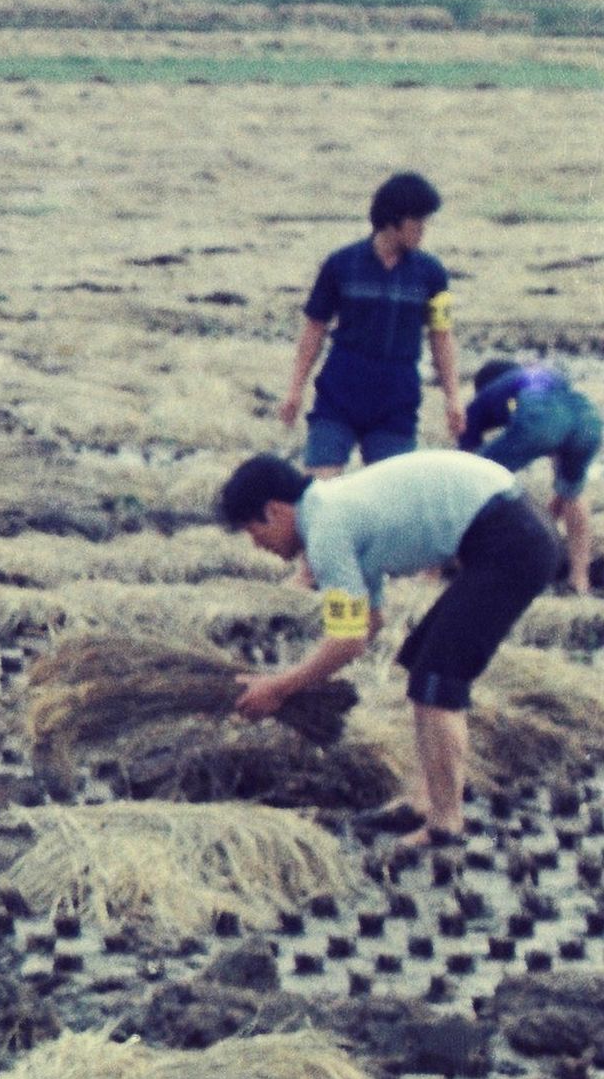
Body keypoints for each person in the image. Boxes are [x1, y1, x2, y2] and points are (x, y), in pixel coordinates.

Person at [221, 445, 561, 852]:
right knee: (422, 663)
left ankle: (445, 826)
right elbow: (367, 623)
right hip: (514, 529)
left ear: (274, 511)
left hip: (512, 539)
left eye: (251, 530)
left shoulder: (327, 529)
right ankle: (423, 802)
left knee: (439, 679)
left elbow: (348, 639)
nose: (256, 544)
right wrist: (293, 679)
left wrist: (280, 687)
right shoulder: (333, 510)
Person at [281, 172, 457, 474]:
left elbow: (440, 335)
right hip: (342, 388)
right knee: (321, 484)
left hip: (396, 396)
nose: (423, 231)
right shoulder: (340, 264)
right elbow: (315, 327)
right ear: (394, 219)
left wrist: (453, 397)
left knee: (393, 492)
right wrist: (295, 389)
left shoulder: (432, 274)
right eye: (418, 222)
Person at [466, 358, 598, 597]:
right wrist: (543, 524)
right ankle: (579, 580)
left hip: (541, 421)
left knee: (470, 478)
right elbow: (564, 491)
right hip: (589, 421)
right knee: (573, 494)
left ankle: (433, 571)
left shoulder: (485, 400)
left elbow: (462, 468)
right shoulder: (546, 384)